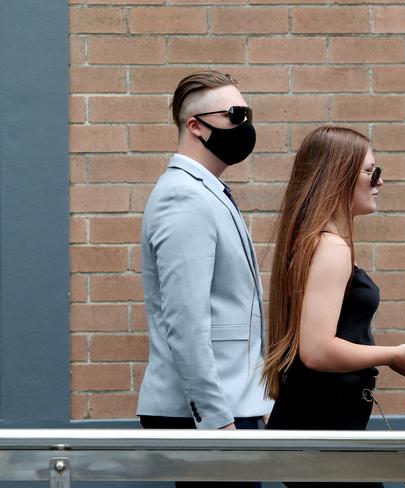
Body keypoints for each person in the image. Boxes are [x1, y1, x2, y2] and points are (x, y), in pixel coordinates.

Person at [263, 126, 405, 487]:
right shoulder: (332, 248)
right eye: (371, 171)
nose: (379, 181)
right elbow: (316, 351)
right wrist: (393, 355)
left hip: (317, 428)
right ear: (338, 177)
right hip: (324, 432)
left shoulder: (314, 242)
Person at [137, 70, 273, 488]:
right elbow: (186, 322)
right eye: (235, 114)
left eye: (247, 113)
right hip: (209, 416)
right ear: (195, 125)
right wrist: (216, 421)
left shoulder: (206, 190)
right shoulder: (184, 197)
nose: (245, 125)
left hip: (233, 405)